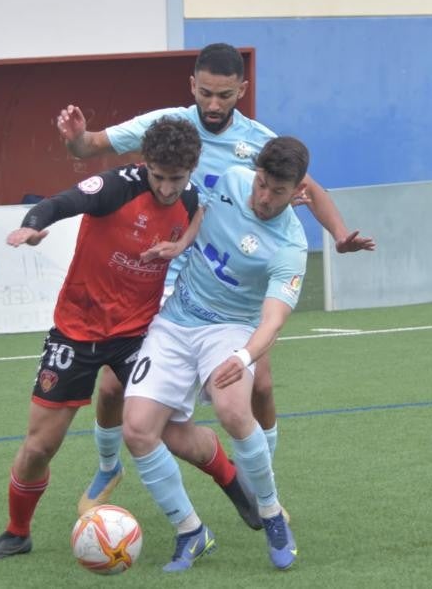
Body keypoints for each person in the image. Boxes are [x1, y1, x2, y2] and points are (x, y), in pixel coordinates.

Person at [57, 43, 375, 514]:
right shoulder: (164, 124)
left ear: (241, 91)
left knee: (260, 384)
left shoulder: (258, 143)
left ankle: (262, 483)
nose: (213, 104)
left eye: (225, 95)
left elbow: (309, 188)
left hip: (224, 287)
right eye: (205, 93)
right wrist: (74, 138)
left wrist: (341, 234)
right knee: (111, 387)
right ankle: (108, 466)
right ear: (192, 86)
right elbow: (91, 146)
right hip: (158, 273)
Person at [0, 117, 259, 562]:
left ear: (192, 169)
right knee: (39, 447)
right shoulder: (115, 187)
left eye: (176, 179)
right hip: (76, 328)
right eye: (158, 177)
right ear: (145, 164)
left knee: (173, 433)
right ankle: (17, 531)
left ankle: (233, 483)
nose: (166, 188)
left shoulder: (194, 198)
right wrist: (32, 227)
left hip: (139, 333)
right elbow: (58, 204)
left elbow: (230, 221)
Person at [123, 136, 312, 572]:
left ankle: (270, 513)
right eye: (261, 184)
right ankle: (191, 531)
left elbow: (273, 320)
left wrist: (244, 357)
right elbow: (204, 215)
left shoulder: (290, 245)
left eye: (277, 191)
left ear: (297, 190)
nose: (263, 197)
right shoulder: (231, 178)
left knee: (231, 408)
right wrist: (180, 245)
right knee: (137, 430)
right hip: (174, 319)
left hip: (230, 328)